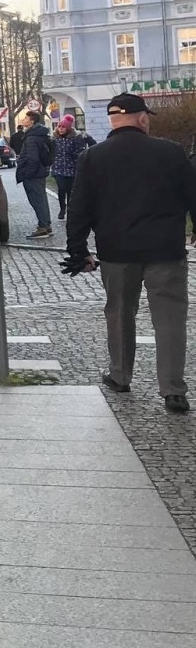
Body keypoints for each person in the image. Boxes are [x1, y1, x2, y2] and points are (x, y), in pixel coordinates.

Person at [62, 93, 196, 413]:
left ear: (112, 120)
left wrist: (78, 250)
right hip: (166, 249)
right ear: (142, 118)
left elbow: (80, 208)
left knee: (120, 313)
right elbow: (193, 196)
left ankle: (120, 376)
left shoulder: (94, 157)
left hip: (117, 251)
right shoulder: (171, 152)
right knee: (170, 319)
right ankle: (173, 390)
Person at [14, 110, 53, 238]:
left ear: (32, 121)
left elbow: (33, 158)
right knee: (41, 199)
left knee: (37, 200)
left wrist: (28, 173)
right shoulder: (39, 134)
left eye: (26, 118)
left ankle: (43, 227)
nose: (23, 120)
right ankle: (46, 225)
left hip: (33, 174)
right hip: (40, 172)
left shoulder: (31, 137)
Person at [50, 114, 89, 220]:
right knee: (61, 188)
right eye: (59, 127)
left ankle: (71, 209)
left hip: (71, 168)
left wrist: (75, 155)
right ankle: (62, 208)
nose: (61, 129)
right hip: (58, 168)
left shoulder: (75, 138)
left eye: (63, 127)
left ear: (68, 129)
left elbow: (80, 152)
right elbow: (51, 152)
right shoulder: (54, 139)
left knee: (70, 190)